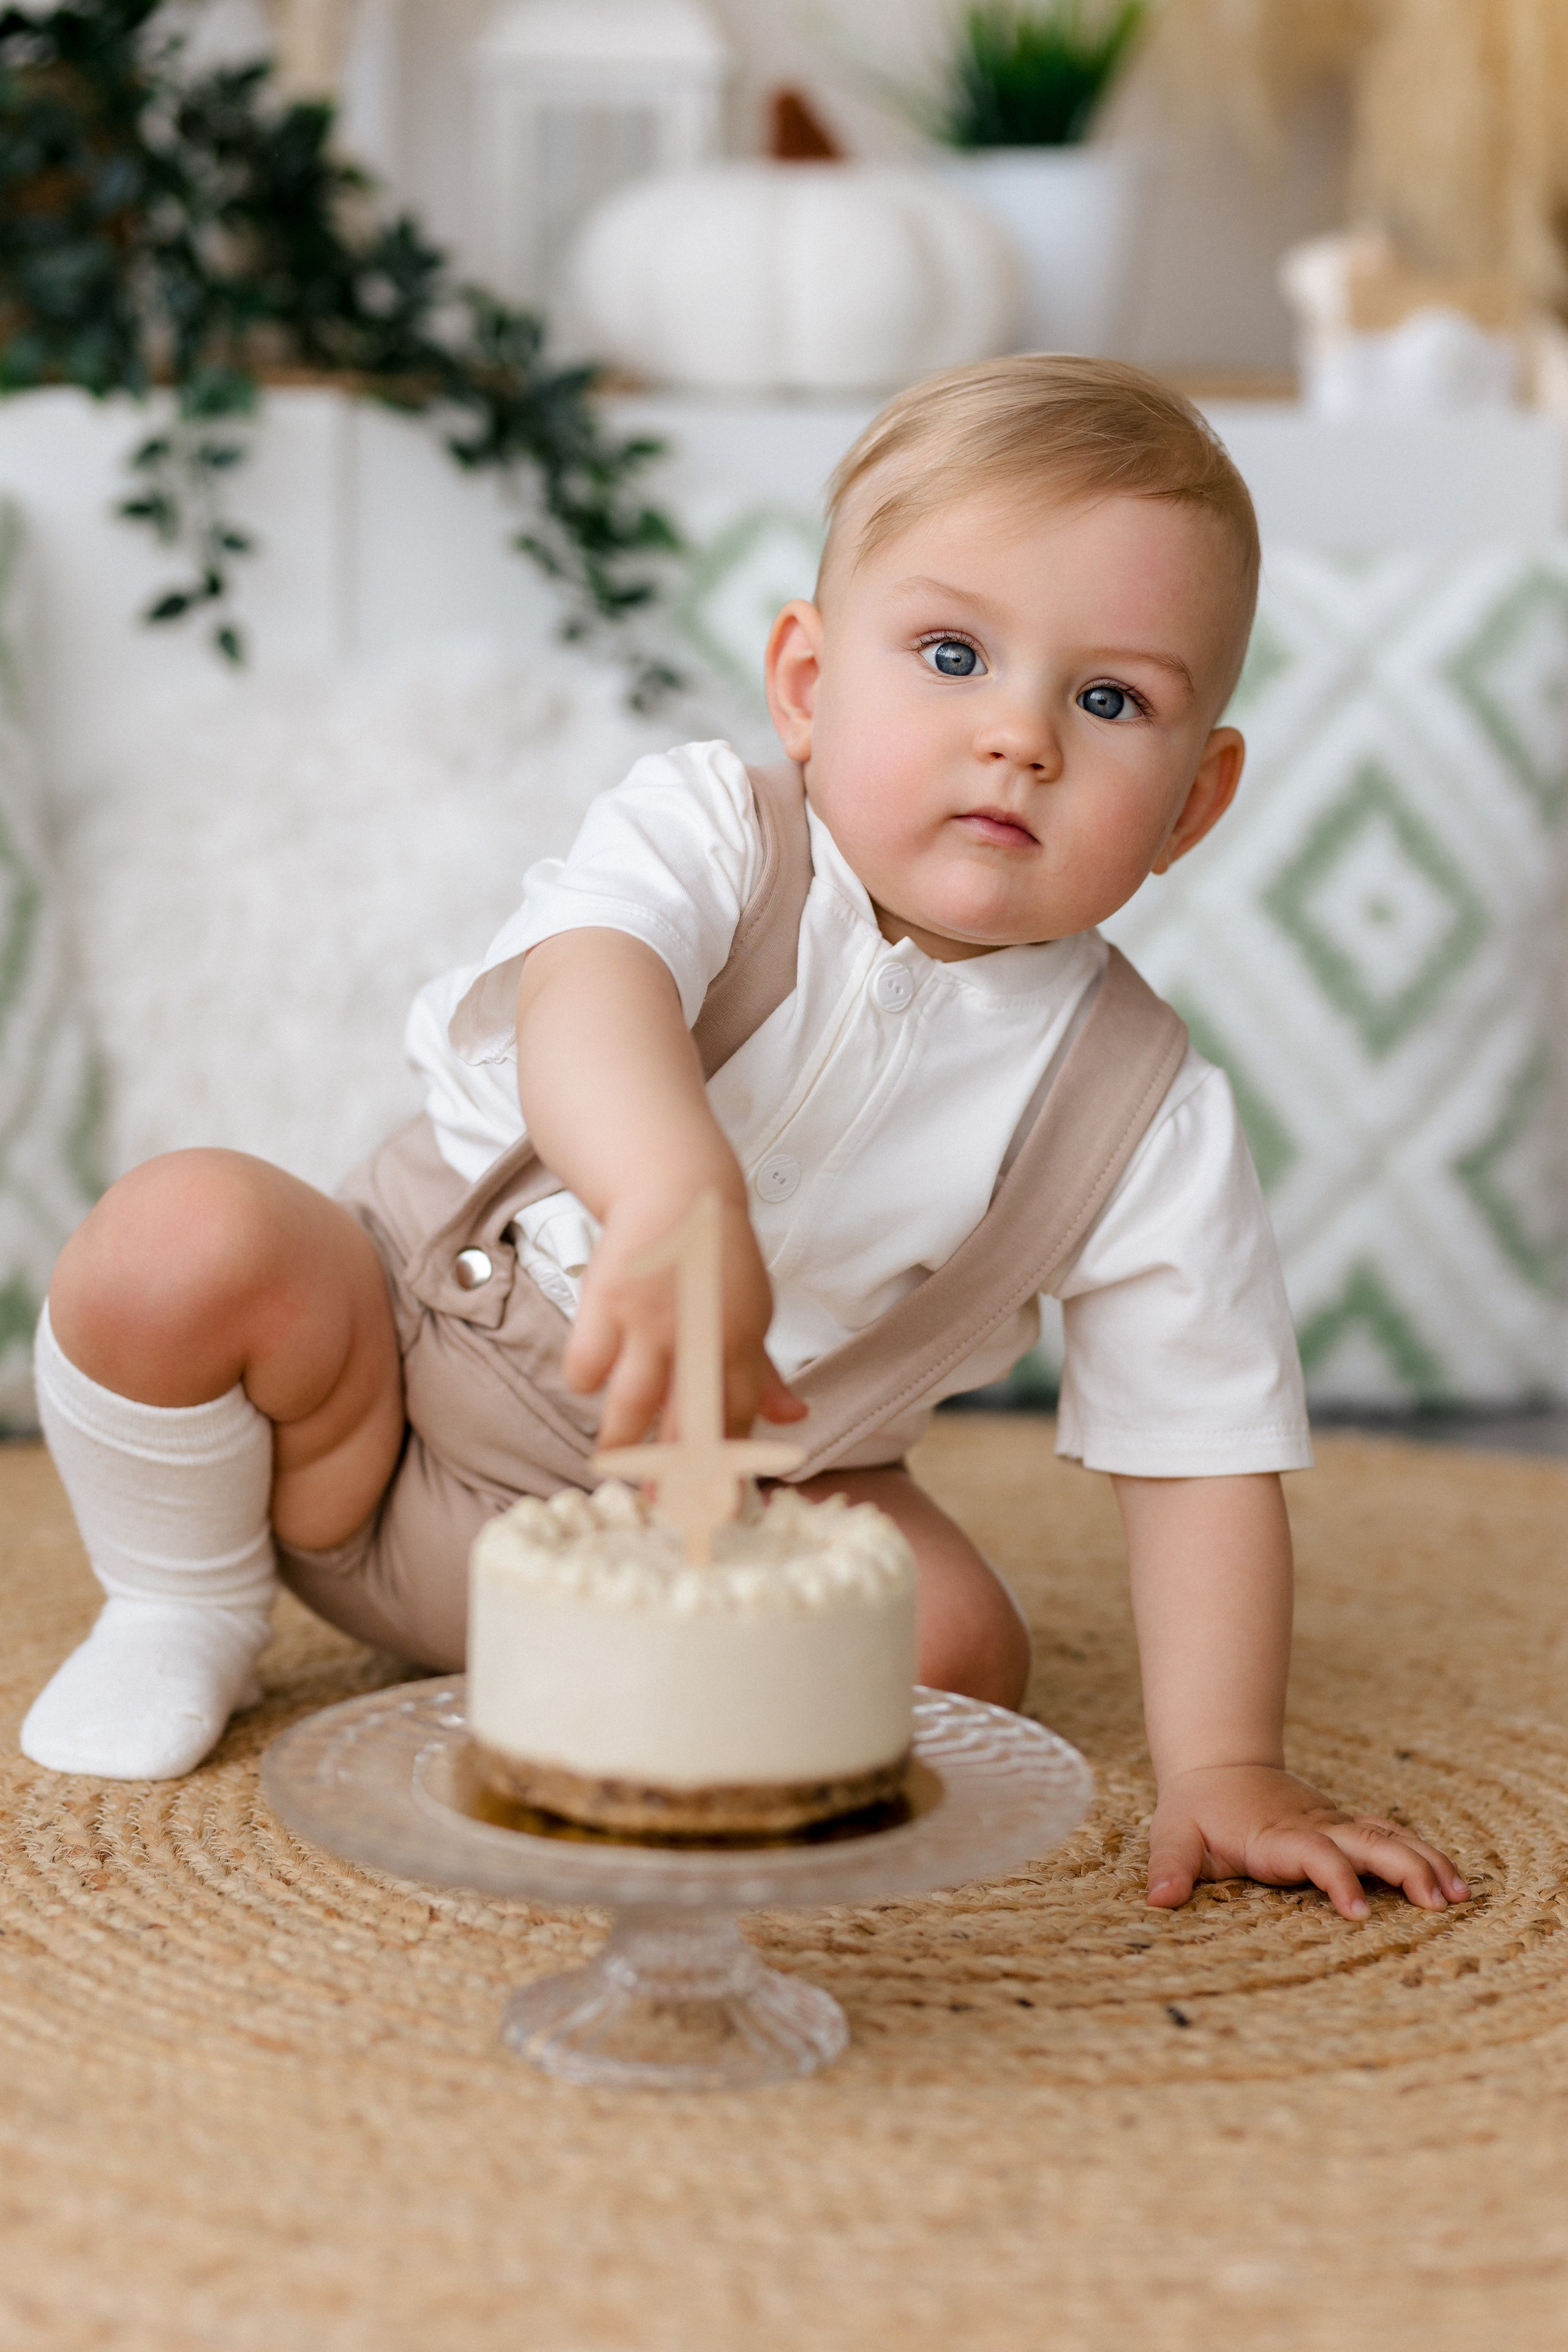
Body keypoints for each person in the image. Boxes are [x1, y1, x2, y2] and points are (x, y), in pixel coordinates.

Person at [23, 355, 1468, 1923]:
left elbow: (1197, 1457)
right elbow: (592, 991)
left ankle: (617, 1701)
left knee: (962, 1657)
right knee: (181, 1236)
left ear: (1195, 803)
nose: (1020, 739)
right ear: (805, 684)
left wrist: (1221, 1769)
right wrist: (669, 1189)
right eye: (949, 652)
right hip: (374, 1413)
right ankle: (184, 1603)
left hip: (718, 1522)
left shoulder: (1142, 1107)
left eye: (1109, 700)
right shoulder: (708, 827)